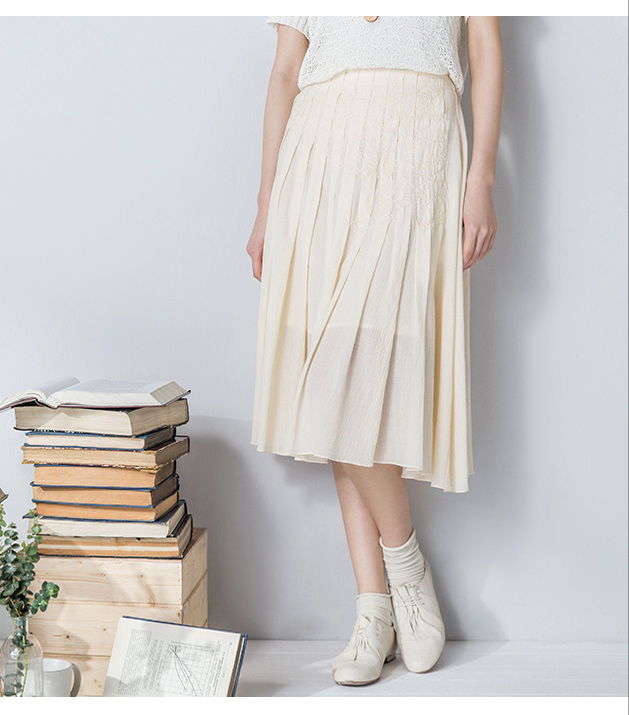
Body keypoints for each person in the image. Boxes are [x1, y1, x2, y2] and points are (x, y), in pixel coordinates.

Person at [247, 16, 503, 686]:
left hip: (418, 146)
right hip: (320, 157)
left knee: (353, 376)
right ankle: (377, 607)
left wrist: (481, 179)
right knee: (336, 380)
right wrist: (267, 202)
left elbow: (485, 46)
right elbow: (284, 72)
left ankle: (402, 575)